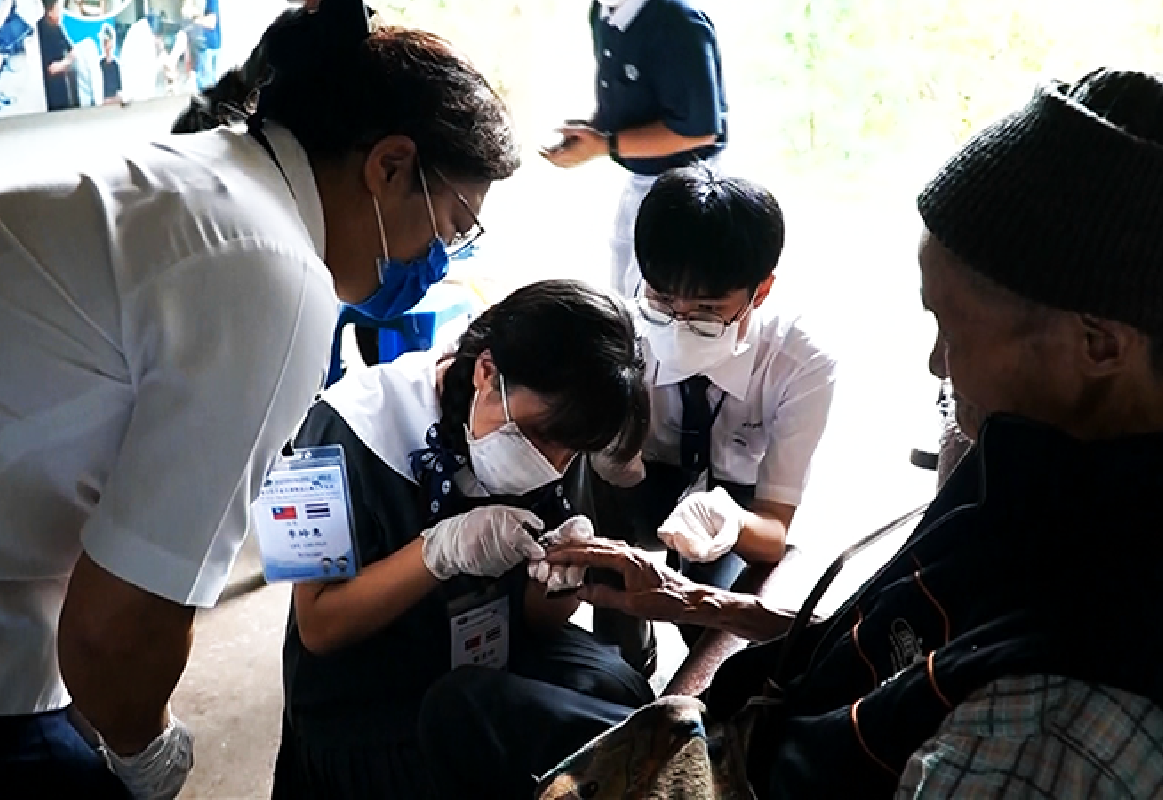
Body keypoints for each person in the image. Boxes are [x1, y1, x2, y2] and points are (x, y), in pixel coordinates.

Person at [420, 67, 1163, 799]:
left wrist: (721, 550)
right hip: (763, 723)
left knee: (473, 715)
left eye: (953, 329)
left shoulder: (1063, 712)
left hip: (748, 770)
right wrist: (687, 600)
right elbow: (885, 639)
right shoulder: (1032, 450)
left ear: (1099, 346)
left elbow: (779, 538)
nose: (937, 363)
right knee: (474, 705)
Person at [0, 0, 519, 795]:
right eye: (450, 226)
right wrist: (143, 751)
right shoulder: (275, 273)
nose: (438, 260)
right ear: (389, 165)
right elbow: (115, 636)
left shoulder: (204, 176)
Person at [272, 279, 655, 799]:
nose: (554, 466)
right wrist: (437, 552)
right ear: (486, 371)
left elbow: (534, 617)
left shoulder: (553, 437)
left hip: (483, 662)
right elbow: (318, 627)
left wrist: (556, 582)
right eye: (544, 440)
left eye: (572, 452)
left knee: (619, 688)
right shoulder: (330, 427)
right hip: (367, 700)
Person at [587, 165, 835, 673]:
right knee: (600, 550)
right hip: (637, 476)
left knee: (718, 630)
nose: (678, 324)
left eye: (706, 309)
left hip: (732, 498)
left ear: (760, 291)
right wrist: (608, 451)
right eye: (661, 300)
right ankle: (623, 656)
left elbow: (772, 530)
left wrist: (733, 521)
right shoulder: (622, 327)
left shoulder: (800, 362)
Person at [543, 0, 728, 299]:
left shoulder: (677, 23)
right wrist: (594, 131)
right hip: (641, 178)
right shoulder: (605, 12)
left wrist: (606, 145)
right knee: (625, 287)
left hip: (686, 187)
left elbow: (699, 131)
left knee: (658, 298)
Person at [38, 0, 77, 111]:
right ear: (49, 12)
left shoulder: (57, 27)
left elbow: (71, 48)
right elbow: (51, 69)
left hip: (63, 85)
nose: (60, 13)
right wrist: (67, 62)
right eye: (57, 9)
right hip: (52, 92)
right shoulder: (42, 32)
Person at [99, 22, 121, 104]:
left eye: (108, 42)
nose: (107, 45)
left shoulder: (116, 65)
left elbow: (119, 88)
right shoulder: (100, 65)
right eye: (105, 42)